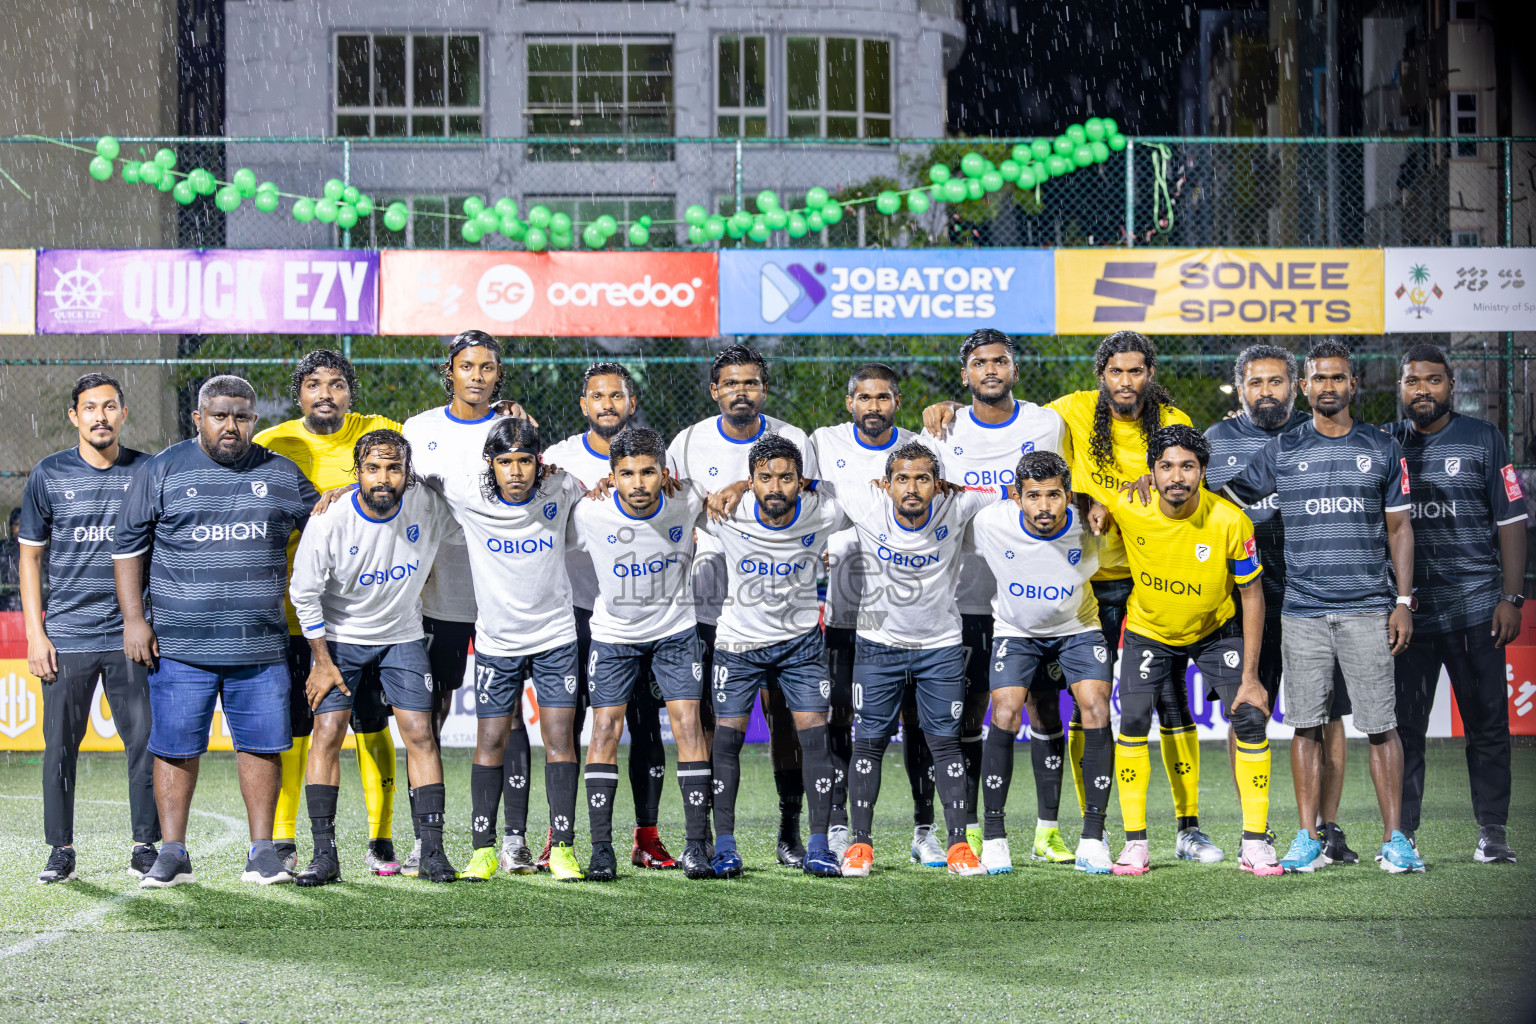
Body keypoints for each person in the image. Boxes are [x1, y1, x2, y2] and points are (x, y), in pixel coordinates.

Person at [1222, 339, 1425, 874]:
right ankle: (1307, 836)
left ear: (1352, 384)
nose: (1328, 386)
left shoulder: (1381, 447)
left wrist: (1401, 602)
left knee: (1381, 726)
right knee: (1307, 725)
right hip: (1303, 610)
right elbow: (1226, 500)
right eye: (1319, 378)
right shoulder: (1283, 450)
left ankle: (1396, 839)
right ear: (1305, 387)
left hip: (1367, 607)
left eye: (1338, 378)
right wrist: (1159, 488)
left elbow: (1400, 527)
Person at [113, 375, 319, 888]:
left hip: (261, 644)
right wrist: (135, 620)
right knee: (175, 747)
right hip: (180, 645)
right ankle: (174, 852)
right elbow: (127, 547)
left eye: (242, 416)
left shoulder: (282, 474)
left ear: (254, 420)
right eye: (221, 415)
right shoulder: (161, 469)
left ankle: (262, 852)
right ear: (198, 418)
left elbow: (326, 528)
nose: (231, 425)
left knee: (262, 745)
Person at [919, 329, 1074, 862]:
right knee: (968, 714)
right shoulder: (943, 427)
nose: (990, 370)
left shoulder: (1044, 424)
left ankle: (1048, 829)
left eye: (1000, 361)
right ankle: (973, 829)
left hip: (1034, 596)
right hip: (964, 596)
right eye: (979, 363)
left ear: (1013, 368)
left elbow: (1059, 494)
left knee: (1045, 710)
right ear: (965, 374)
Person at [1204, 345, 1358, 864]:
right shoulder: (1216, 441)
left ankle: (1325, 828)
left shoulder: (1319, 434)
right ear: (1240, 388)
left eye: (1276, 382)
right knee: (1246, 710)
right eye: (1255, 383)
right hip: (1243, 601)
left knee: (1326, 715)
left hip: (1314, 594)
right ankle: (1258, 828)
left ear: (1295, 387)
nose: (1265, 391)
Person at [667, 344, 817, 867]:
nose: (741, 392)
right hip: (710, 605)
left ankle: (789, 831)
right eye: (731, 383)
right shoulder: (687, 442)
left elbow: (812, 492)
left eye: (751, 383)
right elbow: (672, 508)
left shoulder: (794, 439)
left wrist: (741, 485)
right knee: (712, 725)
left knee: (786, 722)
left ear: (764, 389)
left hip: (780, 607)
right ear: (714, 390)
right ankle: (708, 837)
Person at [253, 349, 401, 876]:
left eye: (337, 384)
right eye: (314, 384)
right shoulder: (272, 444)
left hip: (364, 617)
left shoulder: (378, 431)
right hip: (292, 616)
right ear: (299, 394)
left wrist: (506, 414)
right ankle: (285, 839)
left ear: (350, 393)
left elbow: (424, 463)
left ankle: (380, 840)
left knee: (369, 724)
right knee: (295, 727)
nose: (325, 394)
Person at [1107, 426, 1279, 876]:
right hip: (1149, 631)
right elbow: (1091, 504)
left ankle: (1256, 842)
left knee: (1249, 716)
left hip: (1214, 632)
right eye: (1166, 466)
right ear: (1152, 472)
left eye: (1187, 466)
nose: (1176, 476)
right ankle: (1135, 844)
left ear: (1203, 471)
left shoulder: (1229, 520)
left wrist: (1252, 676)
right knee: (1134, 720)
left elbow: (1253, 595)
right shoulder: (1129, 505)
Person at [288, 430, 455, 884]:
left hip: (403, 635)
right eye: (373, 469)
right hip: (340, 639)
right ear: (357, 472)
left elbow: (479, 500)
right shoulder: (330, 519)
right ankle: (325, 855)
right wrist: (321, 660)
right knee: (327, 732)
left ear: (408, 473)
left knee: (421, 732)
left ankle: (433, 851)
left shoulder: (428, 503)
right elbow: (303, 593)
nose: (384, 478)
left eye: (394, 468)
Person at [833, 442, 1006, 878]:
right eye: (902, 479)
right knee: (868, 742)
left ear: (938, 482)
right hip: (877, 644)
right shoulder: (864, 501)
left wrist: (961, 485)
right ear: (886, 484)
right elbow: (813, 486)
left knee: (945, 742)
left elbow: (1012, 490)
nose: (912, 488)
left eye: (923, 479)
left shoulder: (959, 501)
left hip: (941, 646)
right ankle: (860, 847)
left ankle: (959, 847)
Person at [1388, 343, 1525, 864]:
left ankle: (1492, 832)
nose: (1422, 389)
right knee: (1404, 730)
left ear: (1451, 385)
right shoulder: (1387, 443)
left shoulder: (1482, 439)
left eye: (1433, 380)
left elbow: (1511, 521)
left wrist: (1510, 597)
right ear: (1400, 388)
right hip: (1411, 614)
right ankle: (1403, 834)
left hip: (1475, 610)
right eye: (1412, 381)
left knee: (1488, 726)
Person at [21, 373, 159, 883]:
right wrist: (37, 634)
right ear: (74, 417)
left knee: (146, 741)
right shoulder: (48, 474)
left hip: (130, 635)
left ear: (123, 414)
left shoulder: (148, 471)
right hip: (66, 636)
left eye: (109, 407)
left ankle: (146, 846)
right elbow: (30, 560)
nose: (100, 416)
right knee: (58, 746)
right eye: (90, 408)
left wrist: (145, 621)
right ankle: (61, 849)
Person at [437, 418, 589, 881]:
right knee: (491, 742)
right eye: (506, 462)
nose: (516, 472)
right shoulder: (467, 493)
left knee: (560, 742)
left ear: (539, 463)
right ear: (491, 464)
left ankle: (562, 848)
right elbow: (417, 474)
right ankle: (483, 850)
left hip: (555, 638)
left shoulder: (562, 487)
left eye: (525, 461)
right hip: (497, 642)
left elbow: (600, 496)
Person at [398, 329, 522, 876]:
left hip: (504, 594)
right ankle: (428, 840)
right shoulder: (418, 429)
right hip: (440, 593)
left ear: (498, 374)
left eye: (487, 366)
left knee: (510, 715)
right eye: (467, 365)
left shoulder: (513, 429)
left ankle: (512, 839)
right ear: (449, 371)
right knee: (430, 716)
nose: (477, 374)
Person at [806, 362, 941, 863]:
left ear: (897, 403)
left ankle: (924, 828)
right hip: (845, 609)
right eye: (865, 398)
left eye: (883, 398)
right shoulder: (824, 441)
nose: (873, 407)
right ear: (850, 404)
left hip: (908, 612)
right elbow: (799, 491)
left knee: (918, 722)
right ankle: (840, 824)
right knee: (844, 717)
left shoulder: (918, 447)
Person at [543, 361, 674, 871]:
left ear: (630, 403)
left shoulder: (652, 458)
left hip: (641, 614)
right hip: (575, 609)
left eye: (616, 396)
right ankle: (563, 835)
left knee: (644, 725)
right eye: (597, 396)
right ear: (584, 405)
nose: (607, 405)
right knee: (571, 724)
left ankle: (647, 834)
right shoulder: (558, 458)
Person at [700, 434, 848, 878]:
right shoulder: (726, 512)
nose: (775, 488)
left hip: (801, 644)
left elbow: (850, 488)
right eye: (764, 479)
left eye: (786, 478)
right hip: (738, 645)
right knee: (726, 744)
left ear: (801, 482)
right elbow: (674, 494)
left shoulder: (826, 511)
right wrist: (735, 488)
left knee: (814, 742)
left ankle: (817, 845)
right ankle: (725, 845)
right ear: (751, 481)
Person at [570, 428, 714, 880]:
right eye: (626, 474)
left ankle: (696, 847)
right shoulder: (588, 512)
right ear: (611, 477)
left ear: (664, 473)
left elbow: (731, 503)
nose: (638, 483)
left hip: (675, 632)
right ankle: (601, 850)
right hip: (613, 635)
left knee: (689, 726)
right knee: (605, 730)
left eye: (648, 472)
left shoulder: (687, 499)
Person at [966, 450, 1116, 874]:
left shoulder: (1091, 524)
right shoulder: (991, 521)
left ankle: (1093, 838)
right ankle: (995, 837)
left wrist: (1094, 503)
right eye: (1033, 496)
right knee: (1007, 710)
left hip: (1078, 628)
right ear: (1016, 496)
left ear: (1068, 495)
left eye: (1054, 495)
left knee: (1096, 706)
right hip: (1016, 631)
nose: (1044, 506)